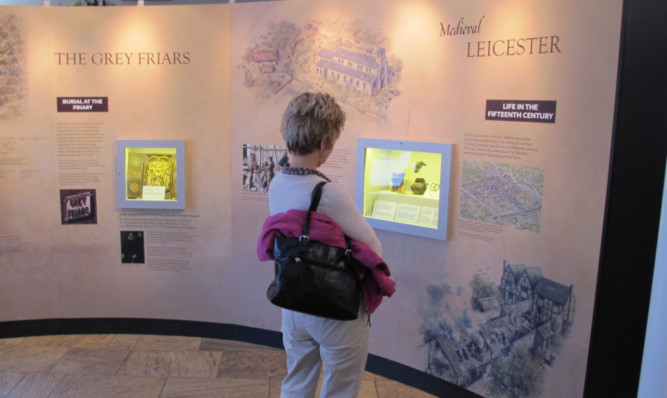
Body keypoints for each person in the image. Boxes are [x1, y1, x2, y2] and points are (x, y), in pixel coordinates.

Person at [267, 92, 386, 397]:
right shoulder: (328, 193)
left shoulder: (277, 185)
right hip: (335, 308)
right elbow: (373, 248)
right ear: (323, 143)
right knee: (340, 388)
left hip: (293, 300)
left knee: (296, 381)